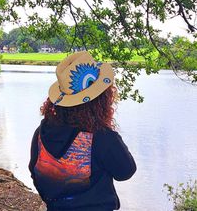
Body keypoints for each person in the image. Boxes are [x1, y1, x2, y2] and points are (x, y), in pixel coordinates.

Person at [29, 51, 136, 211]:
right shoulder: (101, 137)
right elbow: (125, 171)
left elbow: (35, 173)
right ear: (101, 99)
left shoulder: (41, 133)